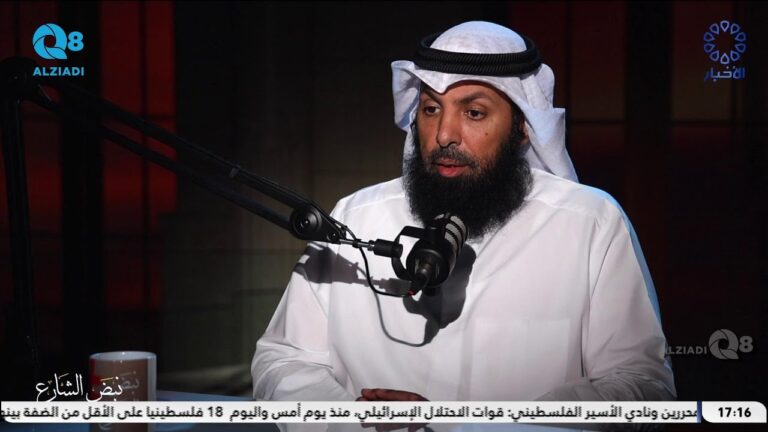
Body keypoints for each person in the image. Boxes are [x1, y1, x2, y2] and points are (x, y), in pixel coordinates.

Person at [251, 21, 676, 402]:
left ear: (523, 127)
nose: (444, 135)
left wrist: (484, 423)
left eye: (474, 113)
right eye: (431, 109)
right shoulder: (355, 217)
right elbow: (283, 359)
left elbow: (641, 383)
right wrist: (351, 420)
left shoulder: (590, 223)